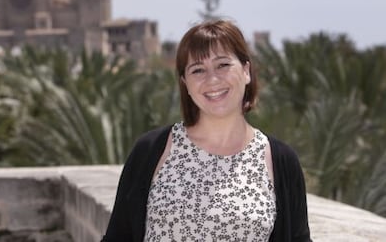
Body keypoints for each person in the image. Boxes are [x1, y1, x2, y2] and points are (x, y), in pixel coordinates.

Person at [101, 20, 312, 242]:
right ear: (186, 83)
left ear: (246, 71)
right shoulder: (152, 151)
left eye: (223, 65)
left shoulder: (280, 161)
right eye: (198, 70)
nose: (212, 79)